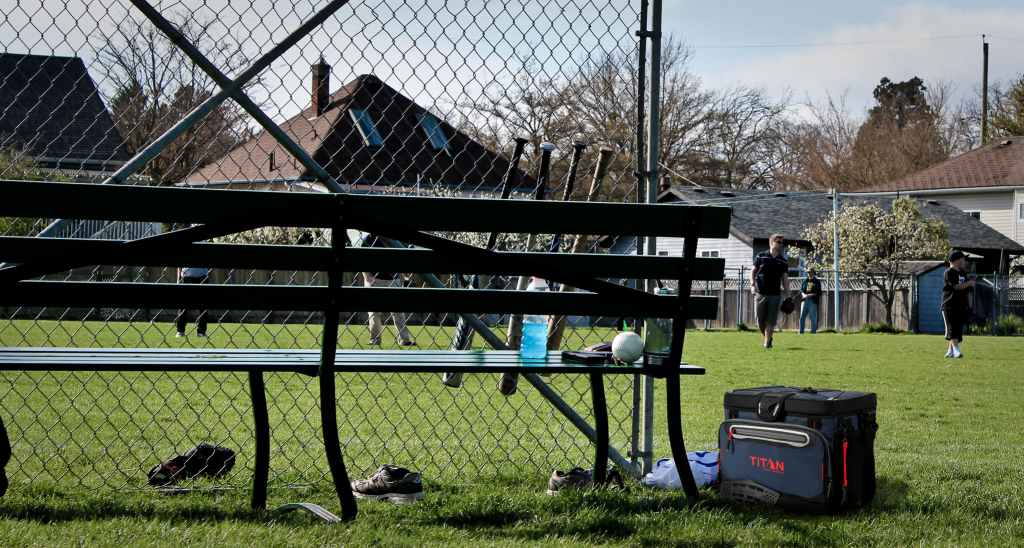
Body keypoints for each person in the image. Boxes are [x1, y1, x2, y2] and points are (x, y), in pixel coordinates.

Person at [361, 233, 415, 346]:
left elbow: (402, 259)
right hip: (374, 279)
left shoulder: (395, 238)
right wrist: (367, 280)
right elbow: (362, 260)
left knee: (398, 311)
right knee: (374, 312)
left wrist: (406, 277)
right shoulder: (369, 238)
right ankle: (375, 340)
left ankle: (404, 340)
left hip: (393, 279)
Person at [750, 234, 791, 349]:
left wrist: (788, 295)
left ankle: (767, 343)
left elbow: (785, 279)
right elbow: (753, 272)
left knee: (771, 321)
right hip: (760, 293)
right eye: (779, 242)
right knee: (760, 322)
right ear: (772, 243)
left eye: (782, 242)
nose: (781, 244)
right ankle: (768, 337)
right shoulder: (761, 256)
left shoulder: (783, 261)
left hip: (774, 295)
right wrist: (753, 285)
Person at [941, 250, 975, 358]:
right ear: (956, 260)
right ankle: (956, 350)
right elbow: (956, 286)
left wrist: (969, 307)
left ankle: (950, 351)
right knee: (952, 327)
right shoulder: (949, 272)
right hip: (949, 304)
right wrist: (969, 283)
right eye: (963, 259)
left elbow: (967, 292)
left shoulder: (963, 274)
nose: (964, 262)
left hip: (960, 305)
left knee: (958, 329)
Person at [175, 265, 210, 338]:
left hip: (202, 277)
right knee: (183, 305)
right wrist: (179, 278)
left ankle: (202, 331)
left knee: (203, 306)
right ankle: (180, 330)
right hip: (186, 277)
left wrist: (211, 279)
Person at [798, 267, 823, 334]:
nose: (808, 273)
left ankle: (813, 332)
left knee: (813, 318)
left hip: (812, 301)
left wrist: (811, 295)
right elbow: (801, 290)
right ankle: (801, 332)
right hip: (804, 300)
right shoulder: (805, 281)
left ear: (813, 273)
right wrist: (803, 295)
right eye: (807, 272)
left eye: (810, 272)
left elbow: (819, 292)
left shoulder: (817, 282)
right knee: (802, 317)